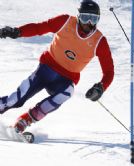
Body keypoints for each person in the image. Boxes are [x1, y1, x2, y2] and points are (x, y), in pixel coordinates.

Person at [0, 0, 114, 133]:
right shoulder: (65, 22)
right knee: (16, 100)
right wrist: (17, 32)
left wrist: (101, 87)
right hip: (45, 70)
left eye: (93, 19)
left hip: (64, 80)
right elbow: (39, 28)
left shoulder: (99, 41)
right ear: (78, 17)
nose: (89, 23)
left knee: (67, 92)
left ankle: (25, 120)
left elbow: (109, 71)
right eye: (85, 17)